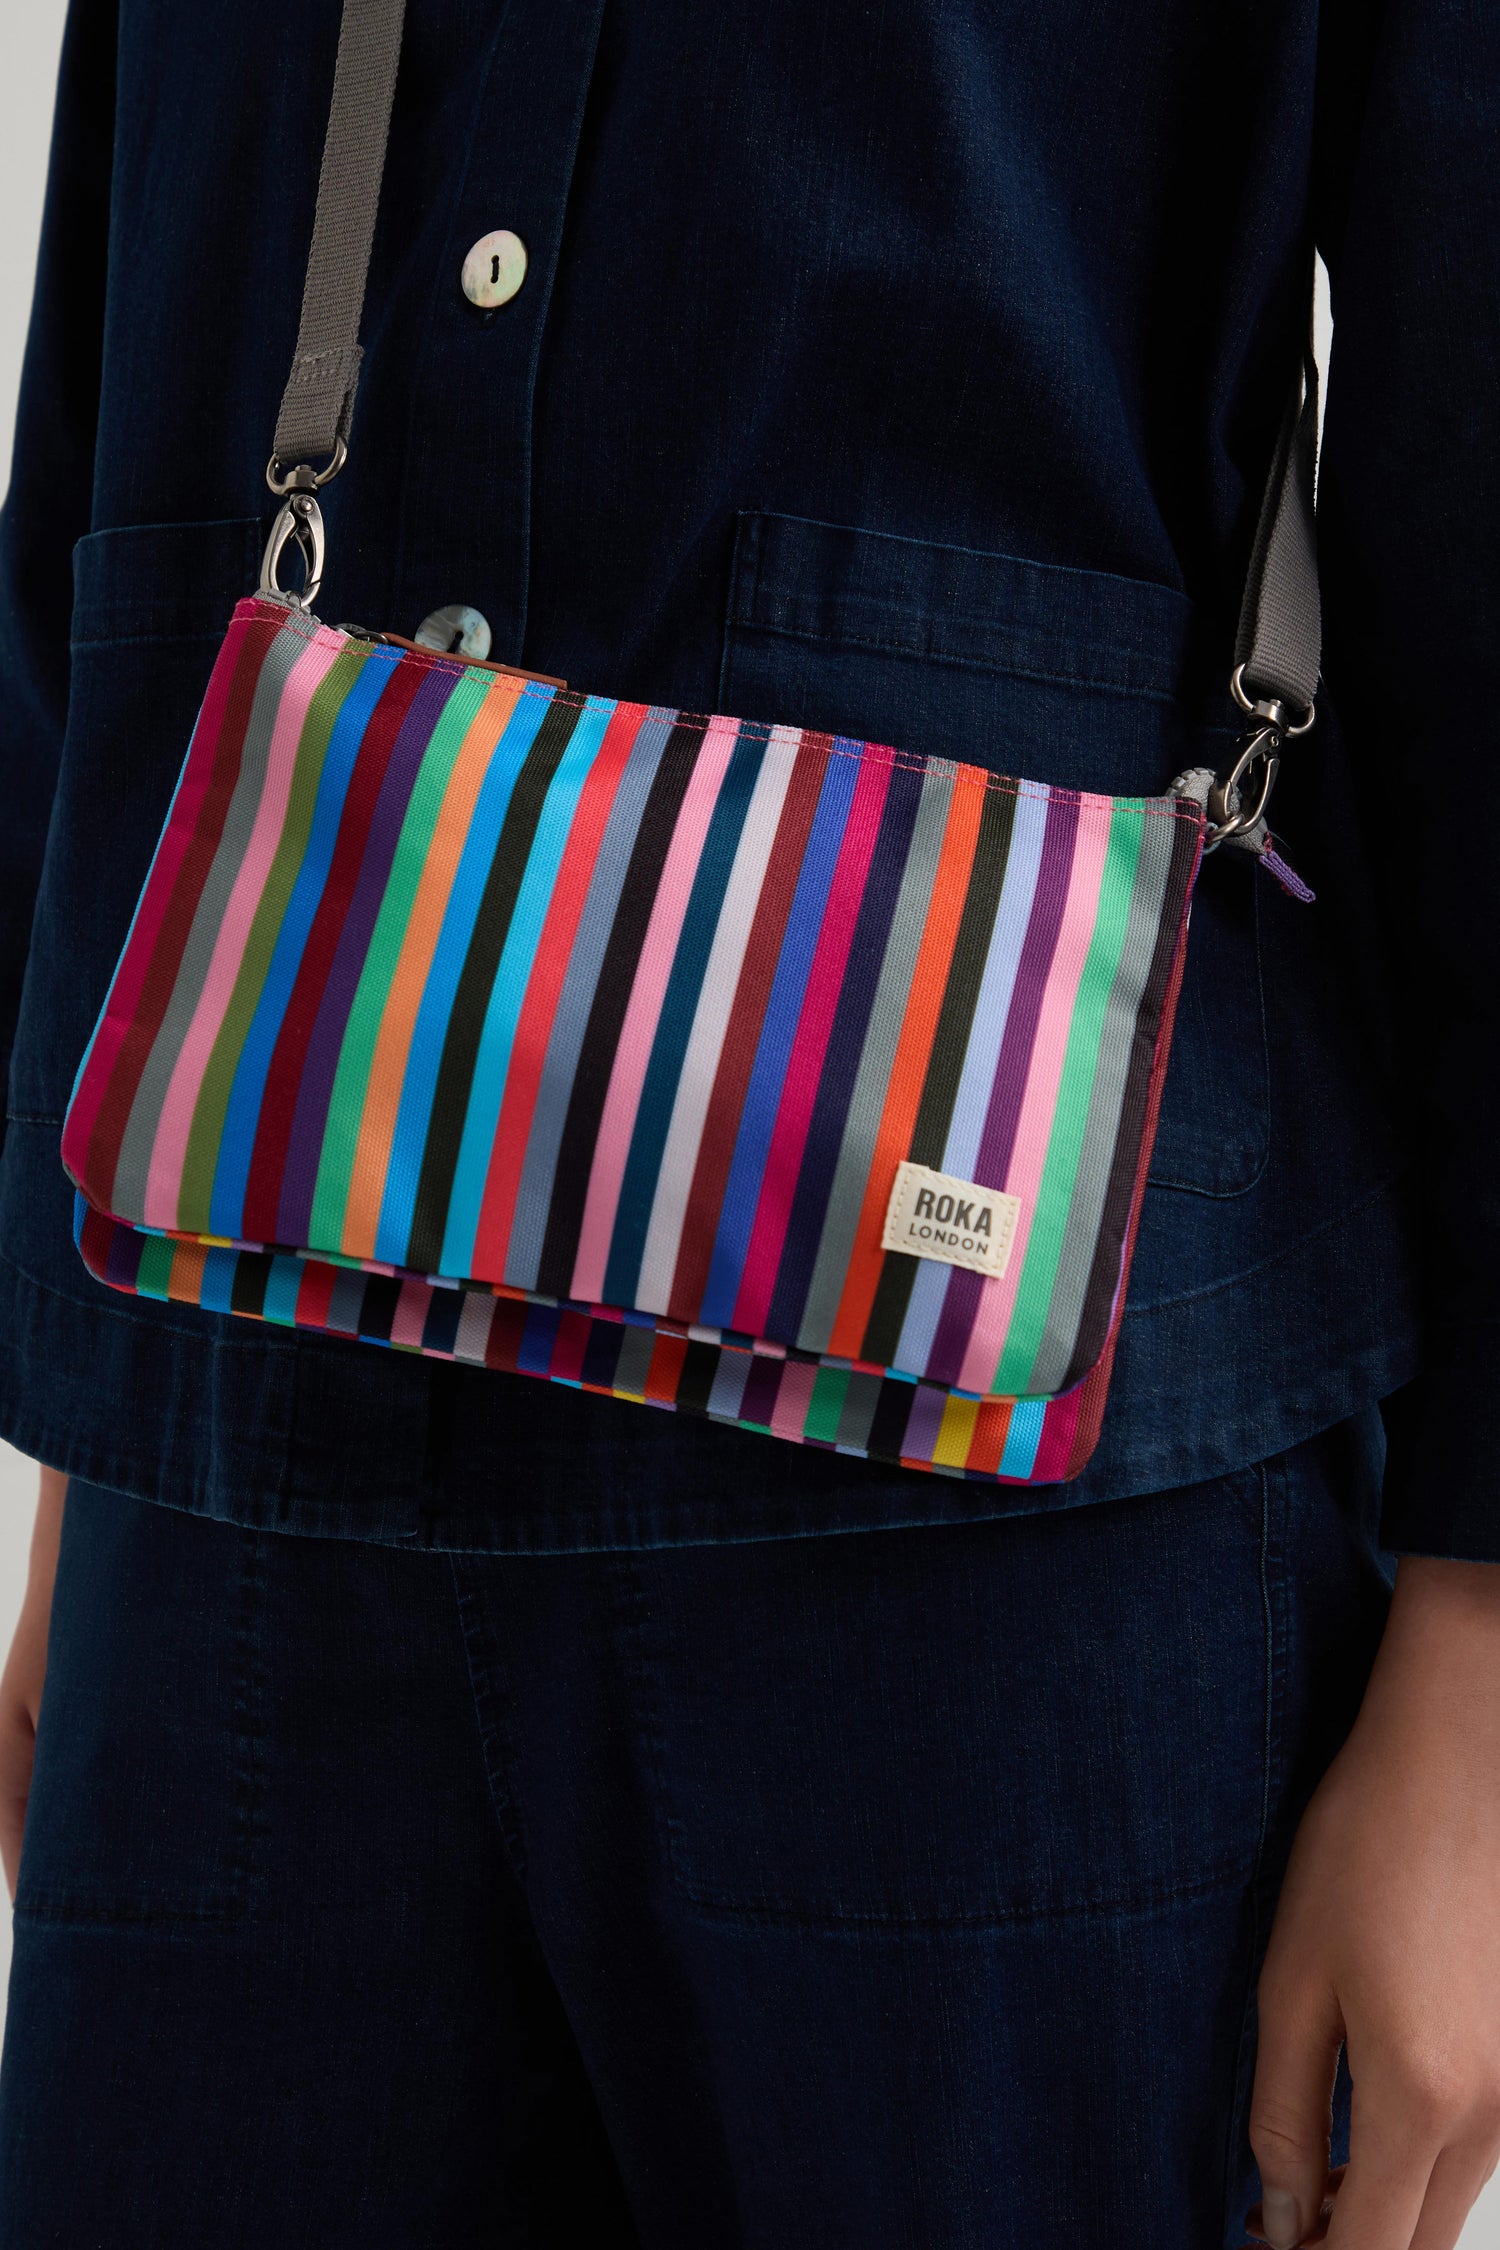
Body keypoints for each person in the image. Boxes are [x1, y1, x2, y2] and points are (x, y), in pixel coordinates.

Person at [0, 0, 1496, 2243]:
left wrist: (1486, 1650)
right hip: (239, 1465)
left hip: (1013, 1535)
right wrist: (89, 1391)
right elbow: (127, 304)